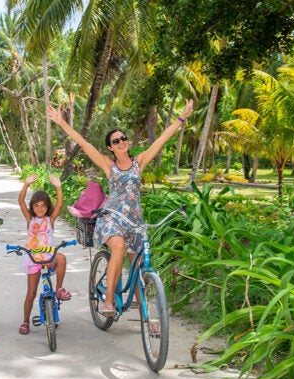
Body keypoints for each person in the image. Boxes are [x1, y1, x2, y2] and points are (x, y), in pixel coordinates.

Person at [46, 100, 194, 316]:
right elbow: (84, 144)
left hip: (135, 220)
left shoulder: (139, 162)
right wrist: (62, 123)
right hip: (112, 218)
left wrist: (182, 118)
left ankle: (145, 316)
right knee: (118, 247)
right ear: (110, 147)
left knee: (137, 268)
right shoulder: (108, 165)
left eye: (123, 138)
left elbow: (161, 140)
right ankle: (107, 302)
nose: (121, 142)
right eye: (116, 140)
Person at [16, 174, 71, 335]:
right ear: (32, 207)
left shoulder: (50, 219)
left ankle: (59, 288)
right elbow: (20, 201)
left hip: (48, 258)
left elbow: (60, 204)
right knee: (31, 293)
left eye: (43, 206)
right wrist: (26, 185)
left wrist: (58, 187)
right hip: (33, 258)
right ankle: (25, 321)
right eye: (36, 206)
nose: (40, 209)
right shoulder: (30, 219)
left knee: (61, 258)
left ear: (48, 207)